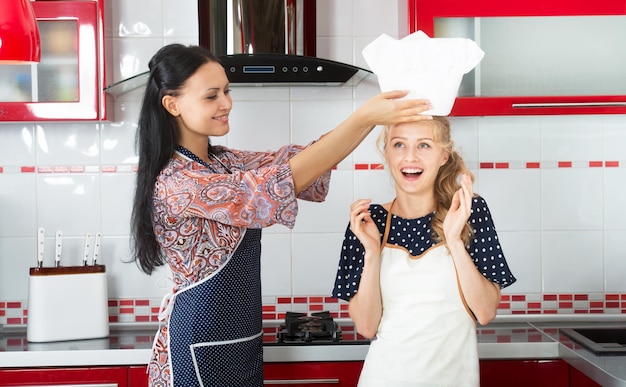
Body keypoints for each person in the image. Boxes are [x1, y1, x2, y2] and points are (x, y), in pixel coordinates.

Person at [129, 43, 433, 387]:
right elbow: (271, 187)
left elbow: (301, 161)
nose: (227, 103)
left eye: (227, 92)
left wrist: (370, 119)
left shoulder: (224, 163)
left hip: (240, 343)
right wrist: (364, 117)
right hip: (197, 343)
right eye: (211, 96)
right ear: (172, 104)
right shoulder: (178, 183)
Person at [332, 116, 517, 386]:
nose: (410, 157)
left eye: (424, 146)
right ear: (387, 153)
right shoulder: (368, 222)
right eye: (399, 145)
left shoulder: (468, 211)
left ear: (444, 155)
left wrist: (454, 240)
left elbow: (485, 312)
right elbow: (366, 326)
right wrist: (372, 253)